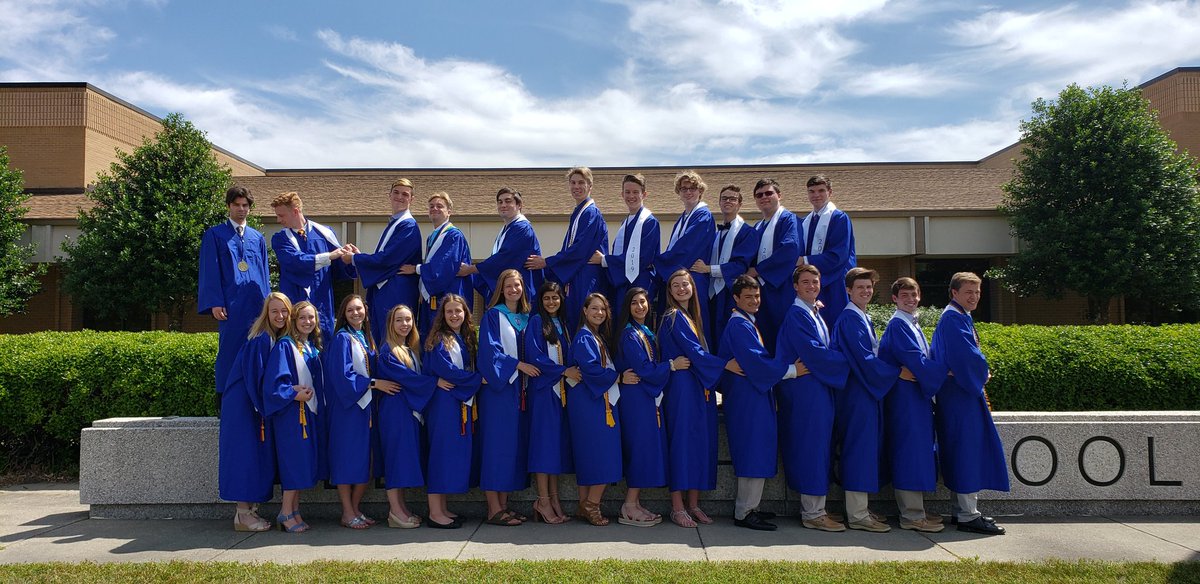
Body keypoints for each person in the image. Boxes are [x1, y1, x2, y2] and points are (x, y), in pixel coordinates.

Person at [658, 269, 741, 528]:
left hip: (699, 386)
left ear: (693, 287)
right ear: (669, 291)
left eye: (686, 284)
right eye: (676, 285)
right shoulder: (673, 317)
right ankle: (677, 507)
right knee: (682, 442)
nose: (681, 289)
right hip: (682, 387)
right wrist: (725, 365)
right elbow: (693, 352)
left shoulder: (693, 317)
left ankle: (694, 504)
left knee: (700, 443)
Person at [718, 275, 801, 531]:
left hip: (754, 395)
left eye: (756, 296)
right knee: (751, 450)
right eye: (748, 297)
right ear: (736, 299)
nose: (754, 301)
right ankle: (744, 512)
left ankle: (751, 506)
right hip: (746, 399)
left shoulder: (748, 322)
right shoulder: (738, 326)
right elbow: (756, 363)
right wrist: (791, 370)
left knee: (758, 448)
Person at [932, 272, 1009, 536]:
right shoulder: (953, 319)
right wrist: (982, 372)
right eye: (968, 292)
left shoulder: (960, 316)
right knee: (966, 450)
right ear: (954, 293)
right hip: (960, 395)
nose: (974, 297)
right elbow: (966, 358)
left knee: (962, 449)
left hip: (959, 392)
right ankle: (967, 514)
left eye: (977, 292)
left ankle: (962, 510)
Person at [775, 265, 850, 532]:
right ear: (795, 286)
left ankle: (818, 509)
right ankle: (812, 513)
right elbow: (815, 353)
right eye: (805, 282)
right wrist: (850, 360)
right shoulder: (797, 315)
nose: (811, 285)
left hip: (817, 389)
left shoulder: (814, 312)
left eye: (815, 281)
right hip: (805, 393)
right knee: (811, 449)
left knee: (820, 448)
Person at [830, 267, 899, 533]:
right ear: (848, 290)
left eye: (869, 287)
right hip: (857, 394)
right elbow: (864, 359)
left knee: (865, 449)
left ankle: (861, 509)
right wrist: (896, 372)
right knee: (858, 450)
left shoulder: (861, 317)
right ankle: (857, 515)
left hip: (864, 392)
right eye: (860, 287)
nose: (866, 291)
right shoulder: (849, 319)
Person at [878, 277, 948, 533]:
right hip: (904, 400)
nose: (911, 299)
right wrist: (948, 371)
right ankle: (911, 515)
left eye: (914, 294)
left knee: (918, 452)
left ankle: (916, 509)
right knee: (909, 453)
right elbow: (916, 362)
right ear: (894, 298)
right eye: (905, 295)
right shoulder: (899, 326)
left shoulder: (910, 323)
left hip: (914, 398)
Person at [220, 291, 289, 532]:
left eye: (284, 311)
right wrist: (268, 405)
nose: (280, 316)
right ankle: (242, 514)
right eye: (274, 311)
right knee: (245, 456)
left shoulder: (273, 338)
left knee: (254, 456)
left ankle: (248, 511)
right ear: (266, 314)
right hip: (244, 404)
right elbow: (255, 378)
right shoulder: (261, 339)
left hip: (253, 402)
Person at [614, 287, 682, 527]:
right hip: (636, 399)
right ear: (628, 307)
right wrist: (671, 365)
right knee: (640, 447)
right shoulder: (629, 335)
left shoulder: (645, 332)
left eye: (643, 302)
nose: (640, 306)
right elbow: (643, 369)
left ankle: (635, 501)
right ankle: (629, 506)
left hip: (645, 396)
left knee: (645, 446)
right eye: (634, 303)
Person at [477, 269, 540, 526]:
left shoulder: (527, 317)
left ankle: (504, 505)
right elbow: (490, 353)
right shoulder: (493, 316)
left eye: (518, 285)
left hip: (520, 391)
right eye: (508, 286)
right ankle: (493, 508)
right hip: (499, 391)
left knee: (510, 448)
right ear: (501, 289)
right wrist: (519, 366)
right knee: (496, 446)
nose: (514, 289)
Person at [199, 186, 271, 410]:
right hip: (230, 305)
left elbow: (264, 272)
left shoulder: (257, 237)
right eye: (237, 205)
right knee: (230, 349)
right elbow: (210, 270)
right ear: (229, 206)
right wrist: (215, 301)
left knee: (258, 347)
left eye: (245, 205)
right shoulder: (215, 234)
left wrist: (269, 304)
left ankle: (256, 396)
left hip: (256, 305)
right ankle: (225, 399)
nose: (241, 209)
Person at [375, 304, 441, 529]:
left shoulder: (410, 349)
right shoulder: (388, 351)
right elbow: (407, 379)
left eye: (408, 320)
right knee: (395, 459)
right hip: (395, 411)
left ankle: (401, 508)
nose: (404, 324)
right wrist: (435, 382)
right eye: (399, 320)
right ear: (390, 324)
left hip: (407, 410)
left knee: (403, 458)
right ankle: (394, 511)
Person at [324, 294, 387, 530]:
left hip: (365, 407)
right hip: (348, 409)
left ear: (366, 311)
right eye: (350, 310)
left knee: (366, 461)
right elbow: (343, 377)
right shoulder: (341, 339)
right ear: (343, 314)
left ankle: (355, 509)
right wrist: (373, 384)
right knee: (346, 459)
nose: (355, 313)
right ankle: (347, 512)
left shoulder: (364, 336)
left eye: (359, 309)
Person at [422, 293, 484, 529]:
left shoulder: (463, 338)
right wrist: (478, 379)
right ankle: (435, 513)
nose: (454, 315)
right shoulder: (438, 339)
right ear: (442, 315)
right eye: (449, 311)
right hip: (443, 404)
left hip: (457, 401)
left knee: (449, 455)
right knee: (440, 454)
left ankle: (443, 507)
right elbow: (446, 371)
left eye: (458, 311)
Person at [262, 300, 323, 533]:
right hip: (291, 414)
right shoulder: (285, 346)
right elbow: (274, 386)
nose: (308, 322)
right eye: (302, 318)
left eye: (311, 317)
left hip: (307, 412)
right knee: (293, 463)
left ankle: (295, 511)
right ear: (294, 321)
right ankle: (285, 512)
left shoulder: (308, 347)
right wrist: (293, 394)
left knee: (302, 462)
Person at [524, 281, 581, 524]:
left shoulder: (565, 325)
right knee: (544, 447)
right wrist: (562, 371)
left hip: (561, 393)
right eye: (547, 298)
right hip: (545, 391)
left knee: (555, 447)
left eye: (555, 298)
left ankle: (554, 499)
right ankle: (543, 500)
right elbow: (534, 355)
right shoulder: (536, 322)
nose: (551, 302)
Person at [526, 167, 609, 332]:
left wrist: (547, 262)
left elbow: (579, 250)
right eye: (573, 183)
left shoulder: (591, 213)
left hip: (586, 275)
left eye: (581, 182)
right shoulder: (578, 213)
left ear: (590, 186)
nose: (576, 186)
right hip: (576, 274)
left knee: (584, 321)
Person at [271, 191, 357, 346]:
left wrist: (351, 259)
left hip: (322, 305)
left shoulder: (324, 233)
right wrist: (329, 256)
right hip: (296, 303)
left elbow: (338, 270)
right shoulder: (280, 239)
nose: (278, 220)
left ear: (295, 211)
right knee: (296, 351)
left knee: (325, 351)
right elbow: (295, 261)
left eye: (281, 215)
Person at [568, 292, 624, 526]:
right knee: (602, 453)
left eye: (603, 309)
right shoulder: (584, 338)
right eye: (594, 309)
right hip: (591, 404)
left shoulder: (596, 336)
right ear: (584, 311)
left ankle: (585, 504)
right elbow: (590, 370)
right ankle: (591, 504)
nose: (599, 313)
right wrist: (617, 376)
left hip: (594, 401)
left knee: (593, 454)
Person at [350, 178, 423, 344]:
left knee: (392, 339)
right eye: (396, 192)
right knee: (379, 337)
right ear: (389, 195)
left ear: (412, 199)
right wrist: (360, 256)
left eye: (405, 194)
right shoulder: (395, 224)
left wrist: (355, 258)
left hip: (396, 289)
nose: (400, 197)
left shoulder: (408, 226)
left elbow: (388, 259)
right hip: (386, 289)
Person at [690, 184, 758, 350]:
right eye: (724, 198)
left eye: (733, 199)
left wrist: (708, 269)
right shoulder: (714, 233)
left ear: (739, 204)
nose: (728, 201)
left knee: (729, 339)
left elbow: (740, 266)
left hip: (731, 293)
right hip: (711, 294)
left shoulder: (748, 232)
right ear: (719, 203)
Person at [400, 192, 473, 337]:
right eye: (431, 206)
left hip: (448, 296)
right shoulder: (432, 237)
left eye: (440, 206)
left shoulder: (453, 236)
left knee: (445, 338)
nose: (434, 208)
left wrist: (416, 269)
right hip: (435, 298)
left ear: (449, 212)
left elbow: (444, 266)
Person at [654, 171, 715, 339]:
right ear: (679, 193)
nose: (688, 192)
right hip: (681, 278)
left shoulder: (703, 216)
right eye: (684, 188)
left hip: (692, 280)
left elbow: (685, 249)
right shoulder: (683, 218)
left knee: (694, 326)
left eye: (693, 188)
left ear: (700, 191)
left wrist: (656, 263)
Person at [461, 187, 544, 304]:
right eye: (500, 202)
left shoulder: (522, 229)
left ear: (519, 205)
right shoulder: (508, 229)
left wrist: (471, 270)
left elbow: (505, 258)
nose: (503, 205)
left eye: (508, 201)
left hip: (519, 296)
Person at [745, 178, 799, 353]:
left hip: (781, 288)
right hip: (761, 290)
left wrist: (759, 270)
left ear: (779, 195)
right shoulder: (758, 226)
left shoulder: (788, 220)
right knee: (764, 335)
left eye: (769, 193)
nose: (764, 197)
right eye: (759, 195)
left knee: (782, 335)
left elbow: (789, 250)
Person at [796, 175, 856, 326]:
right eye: (812, 191)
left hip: (835, 283)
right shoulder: (805, 222)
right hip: (812, 284)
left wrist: (805, 261)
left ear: (830, 192)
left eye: (821, 190)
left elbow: (839, 255)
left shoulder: (839, 218)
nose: (816, 195)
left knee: (835, 325)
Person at [594, 174, 660, 310]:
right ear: (622, 194)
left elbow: (643, 258)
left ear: (644, 194)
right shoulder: (625, 223)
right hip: (623, 281)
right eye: (627, 192)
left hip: (640, 281)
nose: (631, 196)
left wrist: (605, 260)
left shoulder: (649, 222)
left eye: (636, 192)